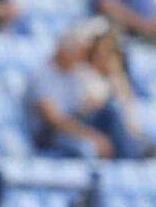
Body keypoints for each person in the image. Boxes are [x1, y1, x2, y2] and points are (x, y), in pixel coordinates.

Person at [25, 27, 142, 160]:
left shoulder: (72, 74)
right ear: (66, 50)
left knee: (110, 112)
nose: (81, 56)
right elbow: (54, 120)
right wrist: (93, 136)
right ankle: (126, 162)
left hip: (72, 125)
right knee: (86, 148)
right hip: (51, 134)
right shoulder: (42, 75)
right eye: (79, 51)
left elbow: (81, 108)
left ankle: (128, 162)